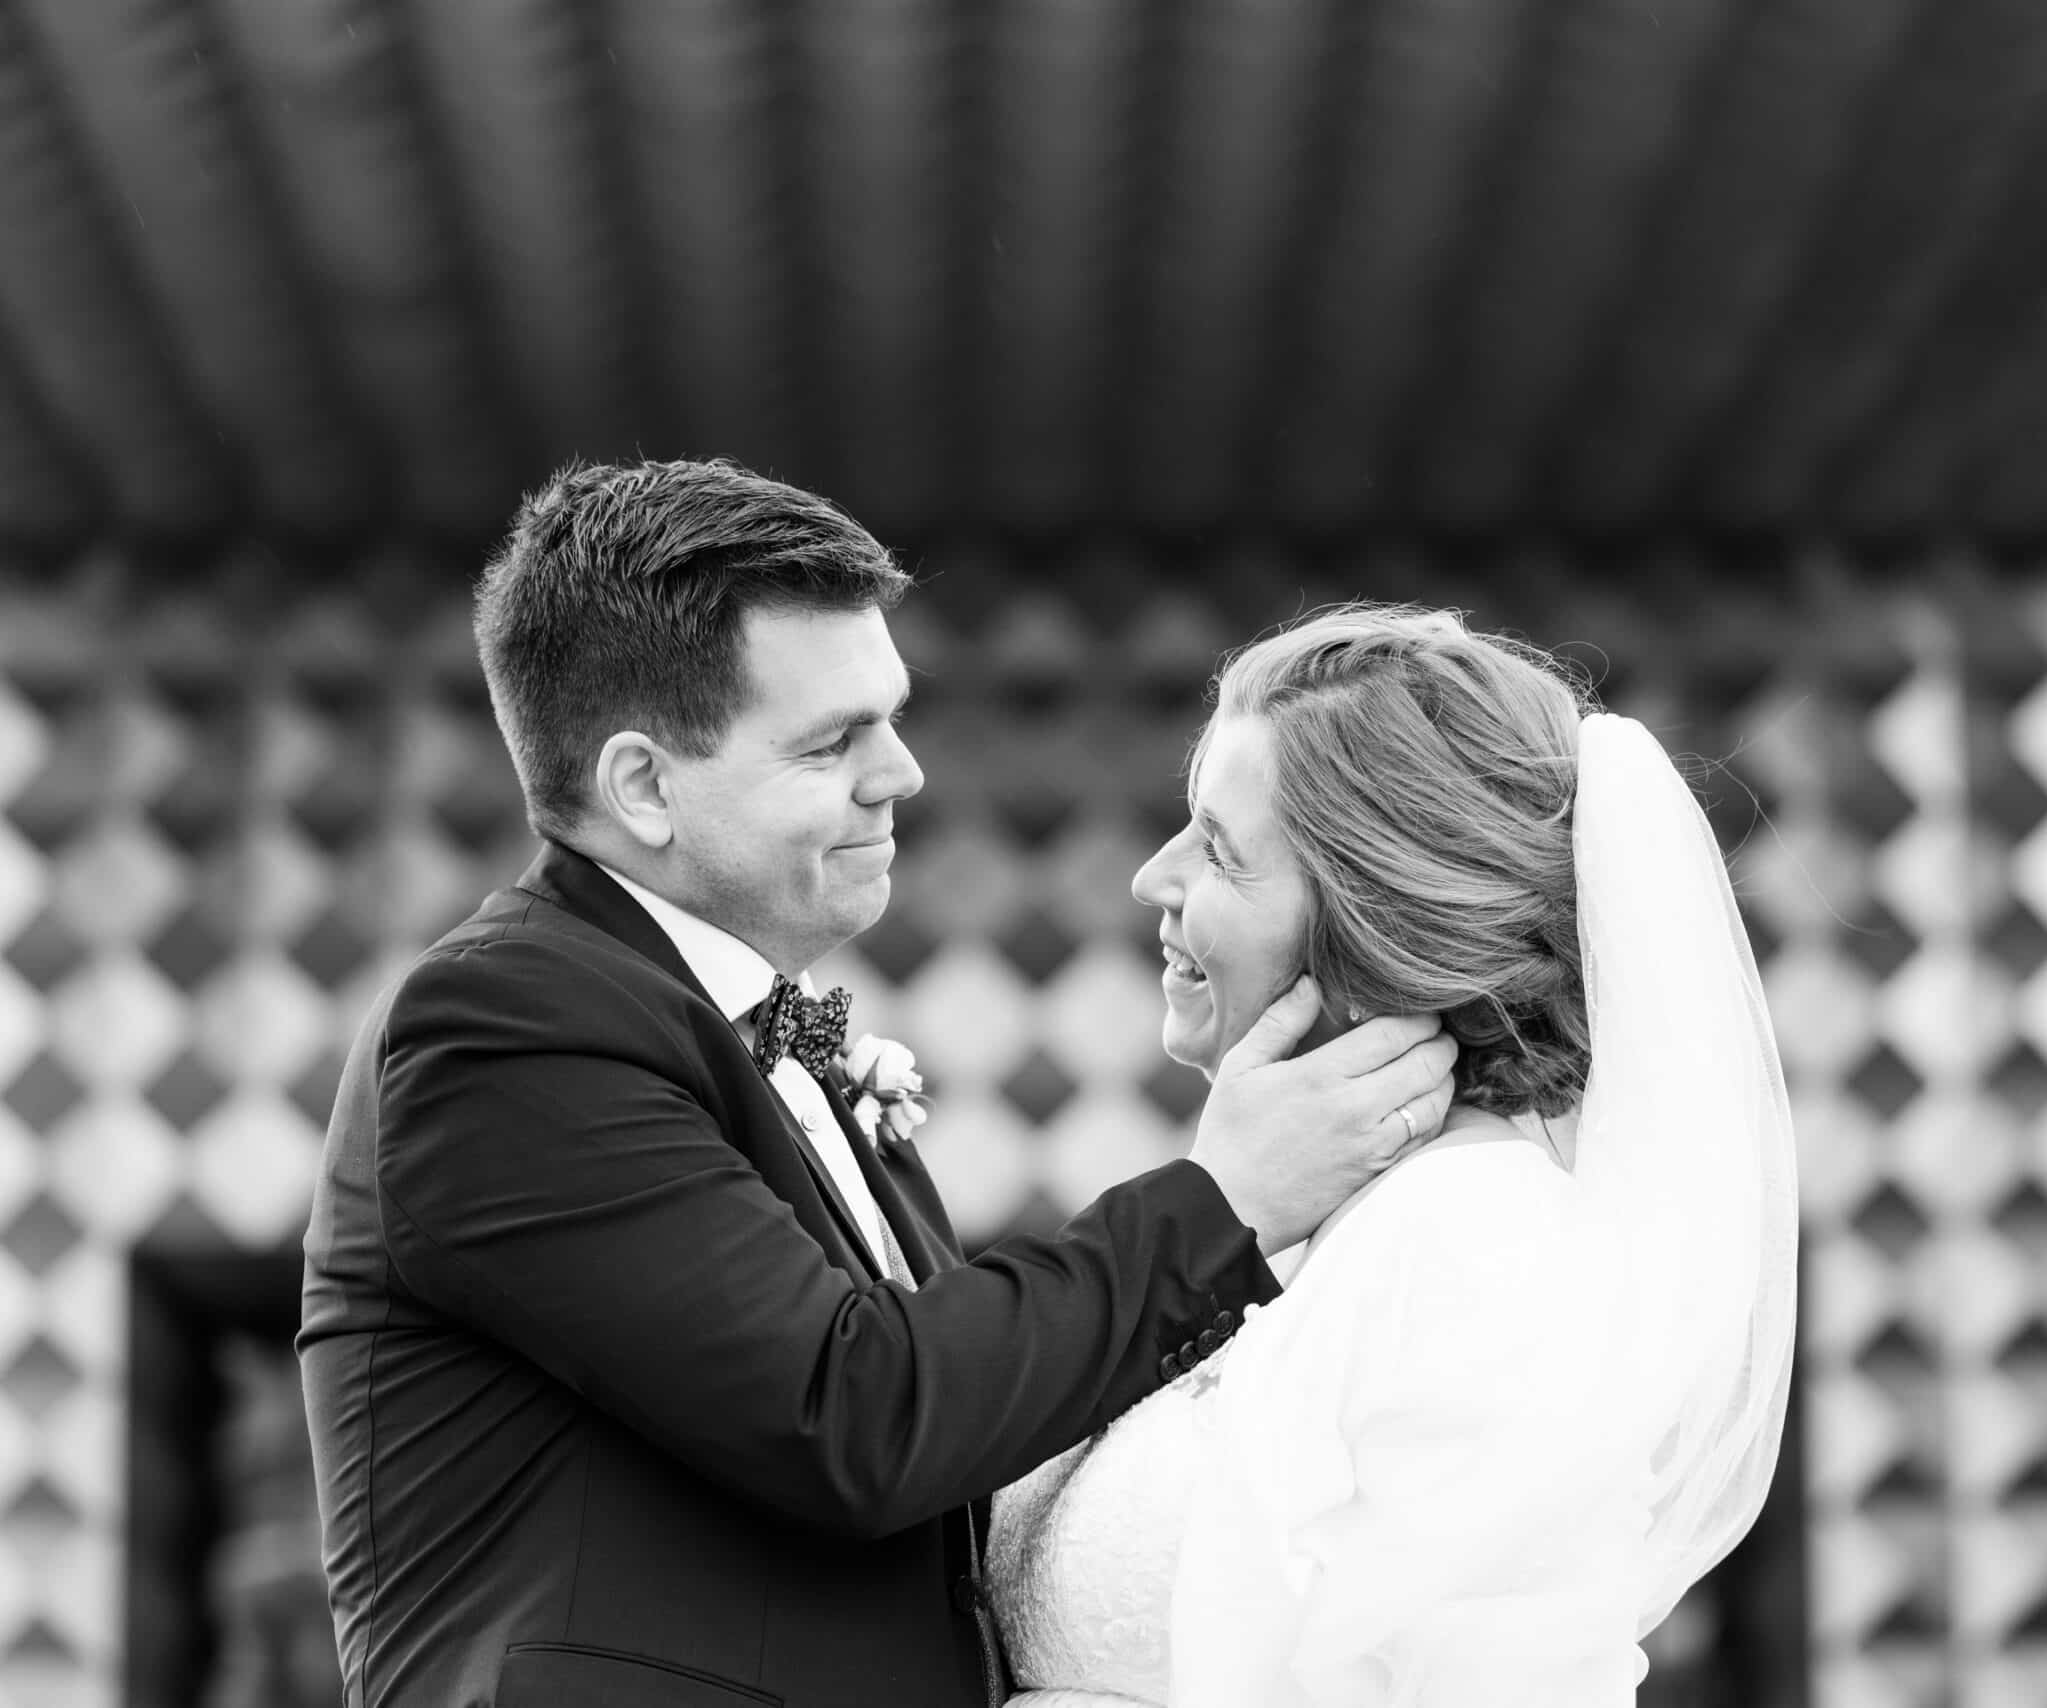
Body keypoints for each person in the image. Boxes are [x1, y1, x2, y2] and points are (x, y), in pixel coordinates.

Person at [297, 461, 1459, 1708]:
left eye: (891, 717)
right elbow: (853, 1414)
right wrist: (1221, 1202)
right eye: (830, 741)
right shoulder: (502, 1029)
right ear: (642, 786)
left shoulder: (744, 1031)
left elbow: (952, 1445)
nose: (900, 772)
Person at [983, 605, 1800, 1706]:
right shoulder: (1320, 1220)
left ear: (1378, 927)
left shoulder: (1480, 1253)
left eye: (1219, 850)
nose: (1150, 878)